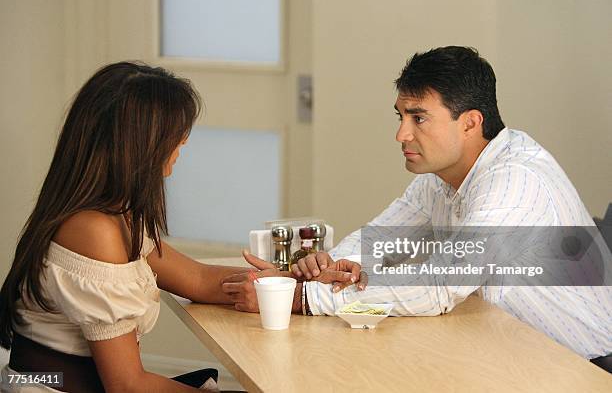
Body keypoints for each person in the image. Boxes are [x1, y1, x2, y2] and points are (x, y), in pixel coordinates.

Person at [242, 47, 612, 371]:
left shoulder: (515, 181)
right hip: (508, 350)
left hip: (584, 366)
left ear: (470, 123)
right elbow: (380, 243)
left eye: (418, 118)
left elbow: (439, 285)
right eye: (400, 117)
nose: (401, 135)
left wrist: (302, 298)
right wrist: (326, 267)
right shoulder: (440, 178)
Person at [0, 62, 357, 392]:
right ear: (141, 146)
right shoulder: (95, 231)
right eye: (178, 141)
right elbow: (128, 386)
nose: (180, 151)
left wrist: (290, 282)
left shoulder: (113, 213)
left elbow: (198, 279)